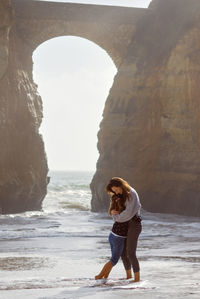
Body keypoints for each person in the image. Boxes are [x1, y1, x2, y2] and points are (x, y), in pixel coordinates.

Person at [106, 177, 142, 282]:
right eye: (114, 191)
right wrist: (113, 212)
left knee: (131, 252)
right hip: (125, 225)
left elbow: (128, 214)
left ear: (121, 185)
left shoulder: (131, 194)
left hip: (134, 225)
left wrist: (116, 217)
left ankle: (137, 280)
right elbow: (115, 209)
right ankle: (129, 276)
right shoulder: (121, 195)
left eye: (116, 189)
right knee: (123, 253)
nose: (116, 192)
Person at [95, 193, 130, 280]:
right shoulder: (124, 211)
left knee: (113, 258)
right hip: (119, 238)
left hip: (112, 235)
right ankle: (99, 275)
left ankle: (106, 276)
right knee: (114, 260)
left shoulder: (114, 210)